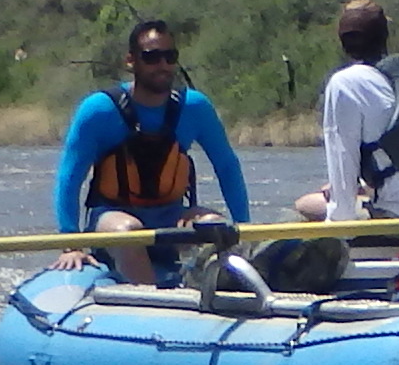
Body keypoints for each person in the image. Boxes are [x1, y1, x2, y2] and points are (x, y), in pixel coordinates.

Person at [50, 20, 251, 284]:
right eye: (152, 57)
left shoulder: (195, 107)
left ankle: (208, 286)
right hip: (113, 218)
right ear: (131, 60)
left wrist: (243, 227)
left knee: (214, 224)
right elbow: (69, 176)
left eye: (170, 57)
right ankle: (151, 296)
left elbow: (227, 167)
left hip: (171, 216)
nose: (162, 65)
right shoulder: (98, 110)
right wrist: (71, 243)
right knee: (129, 230)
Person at [298, 0, 399, 227]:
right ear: (384, 36)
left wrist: (338, 227)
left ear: (343, 41)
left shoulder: (344, 84)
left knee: (305, 205)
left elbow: (343, 170)